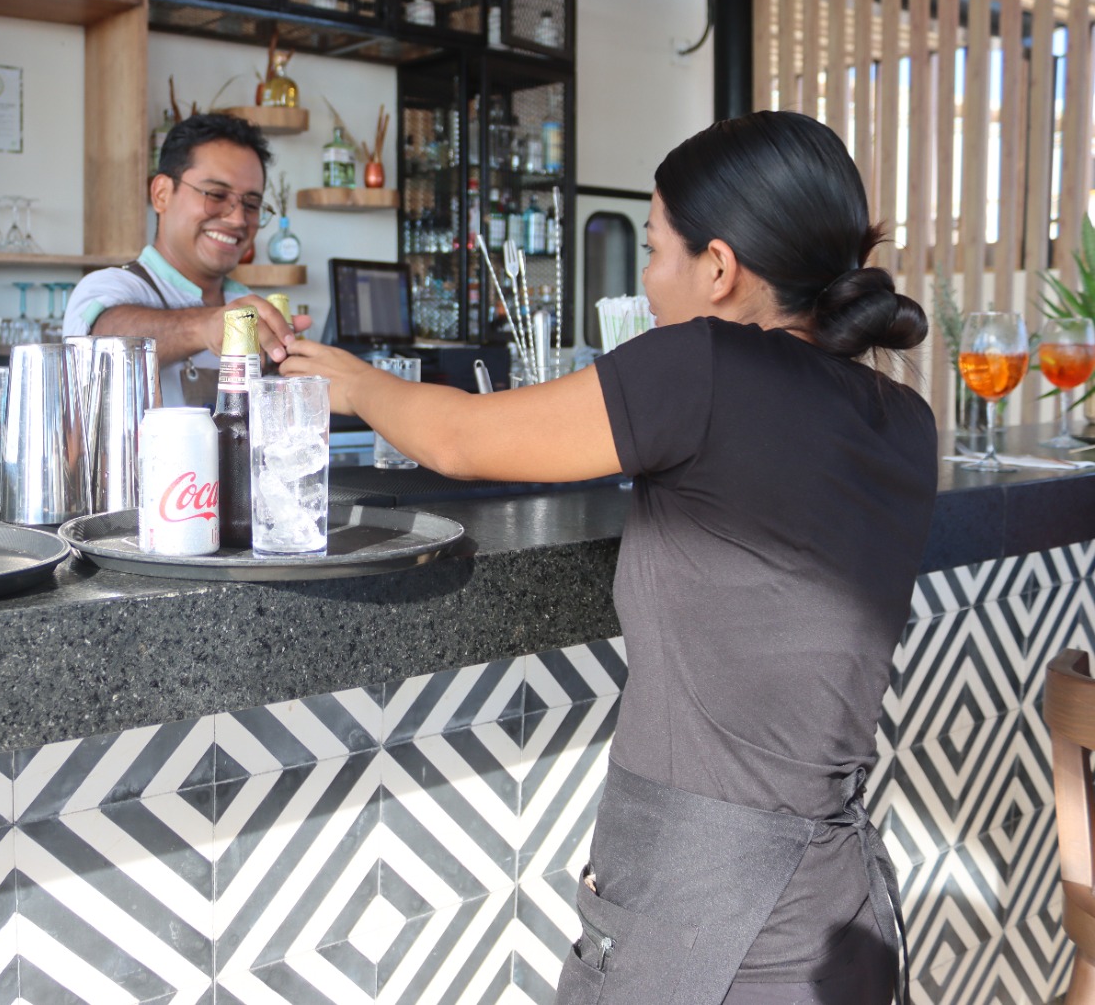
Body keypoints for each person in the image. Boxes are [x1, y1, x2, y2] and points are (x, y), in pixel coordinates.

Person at [280, 111, 936, 1005]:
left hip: (711, 928)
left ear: (718, 268)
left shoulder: (705, 364)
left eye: (655, 249)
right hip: (839, 907)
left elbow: (463, 440)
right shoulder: (903, 417)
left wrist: (354, 382)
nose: (647, 281)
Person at [63, 112, 309, 406]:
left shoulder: (248, 303)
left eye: (251, 204)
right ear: (162, 194)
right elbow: (99, 346)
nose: (238, 219)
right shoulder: (109, 287)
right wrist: (205, 327)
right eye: (216, 194)